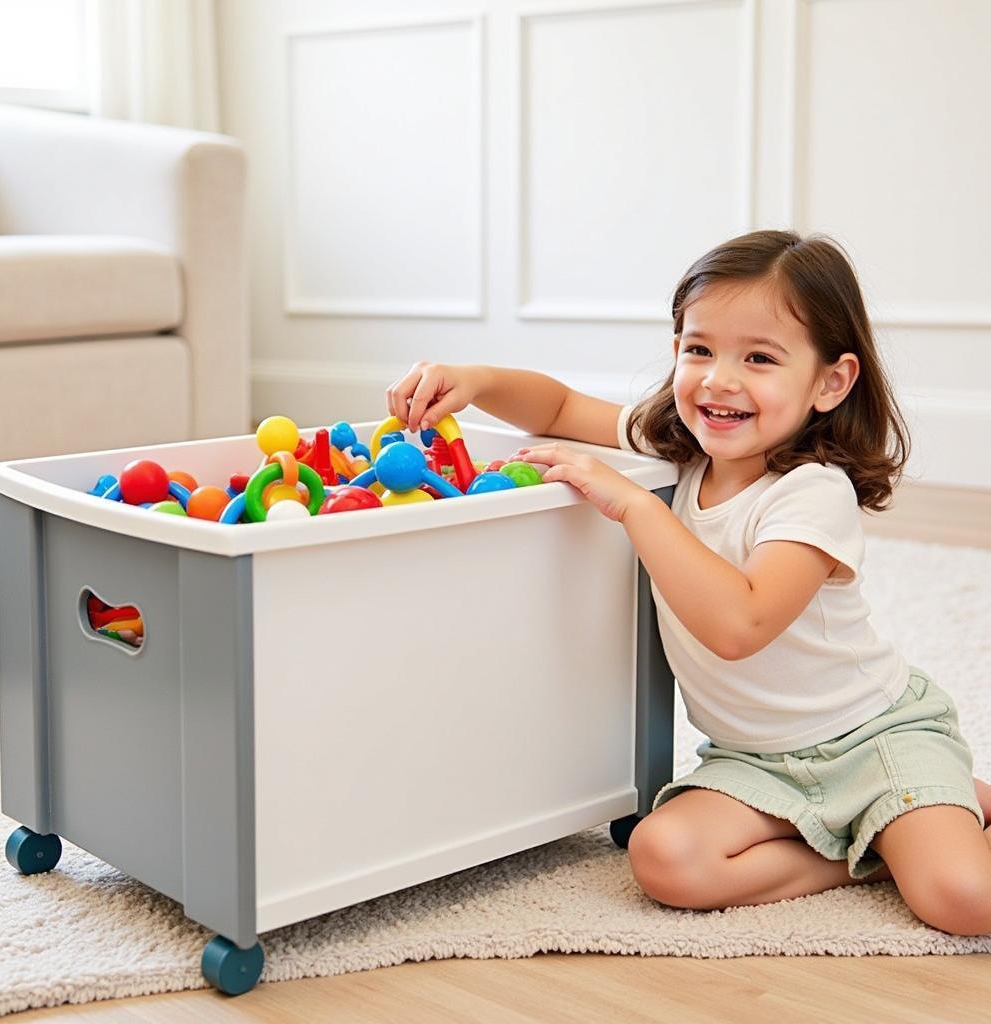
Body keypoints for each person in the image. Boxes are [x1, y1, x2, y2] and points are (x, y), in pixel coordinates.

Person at [387, 229, 991, 935]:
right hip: (757, 765)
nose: (719, 380)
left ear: (831, 381)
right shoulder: (679, 446)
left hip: (871, 741)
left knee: (962, 901)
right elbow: (555, 409)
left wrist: (635, 504)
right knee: (663, 859)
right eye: (698, 348)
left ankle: (914, 810)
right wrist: (476, 382)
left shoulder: (812, 492)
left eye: (759, 359)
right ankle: (873, 847)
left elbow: (740, 625)